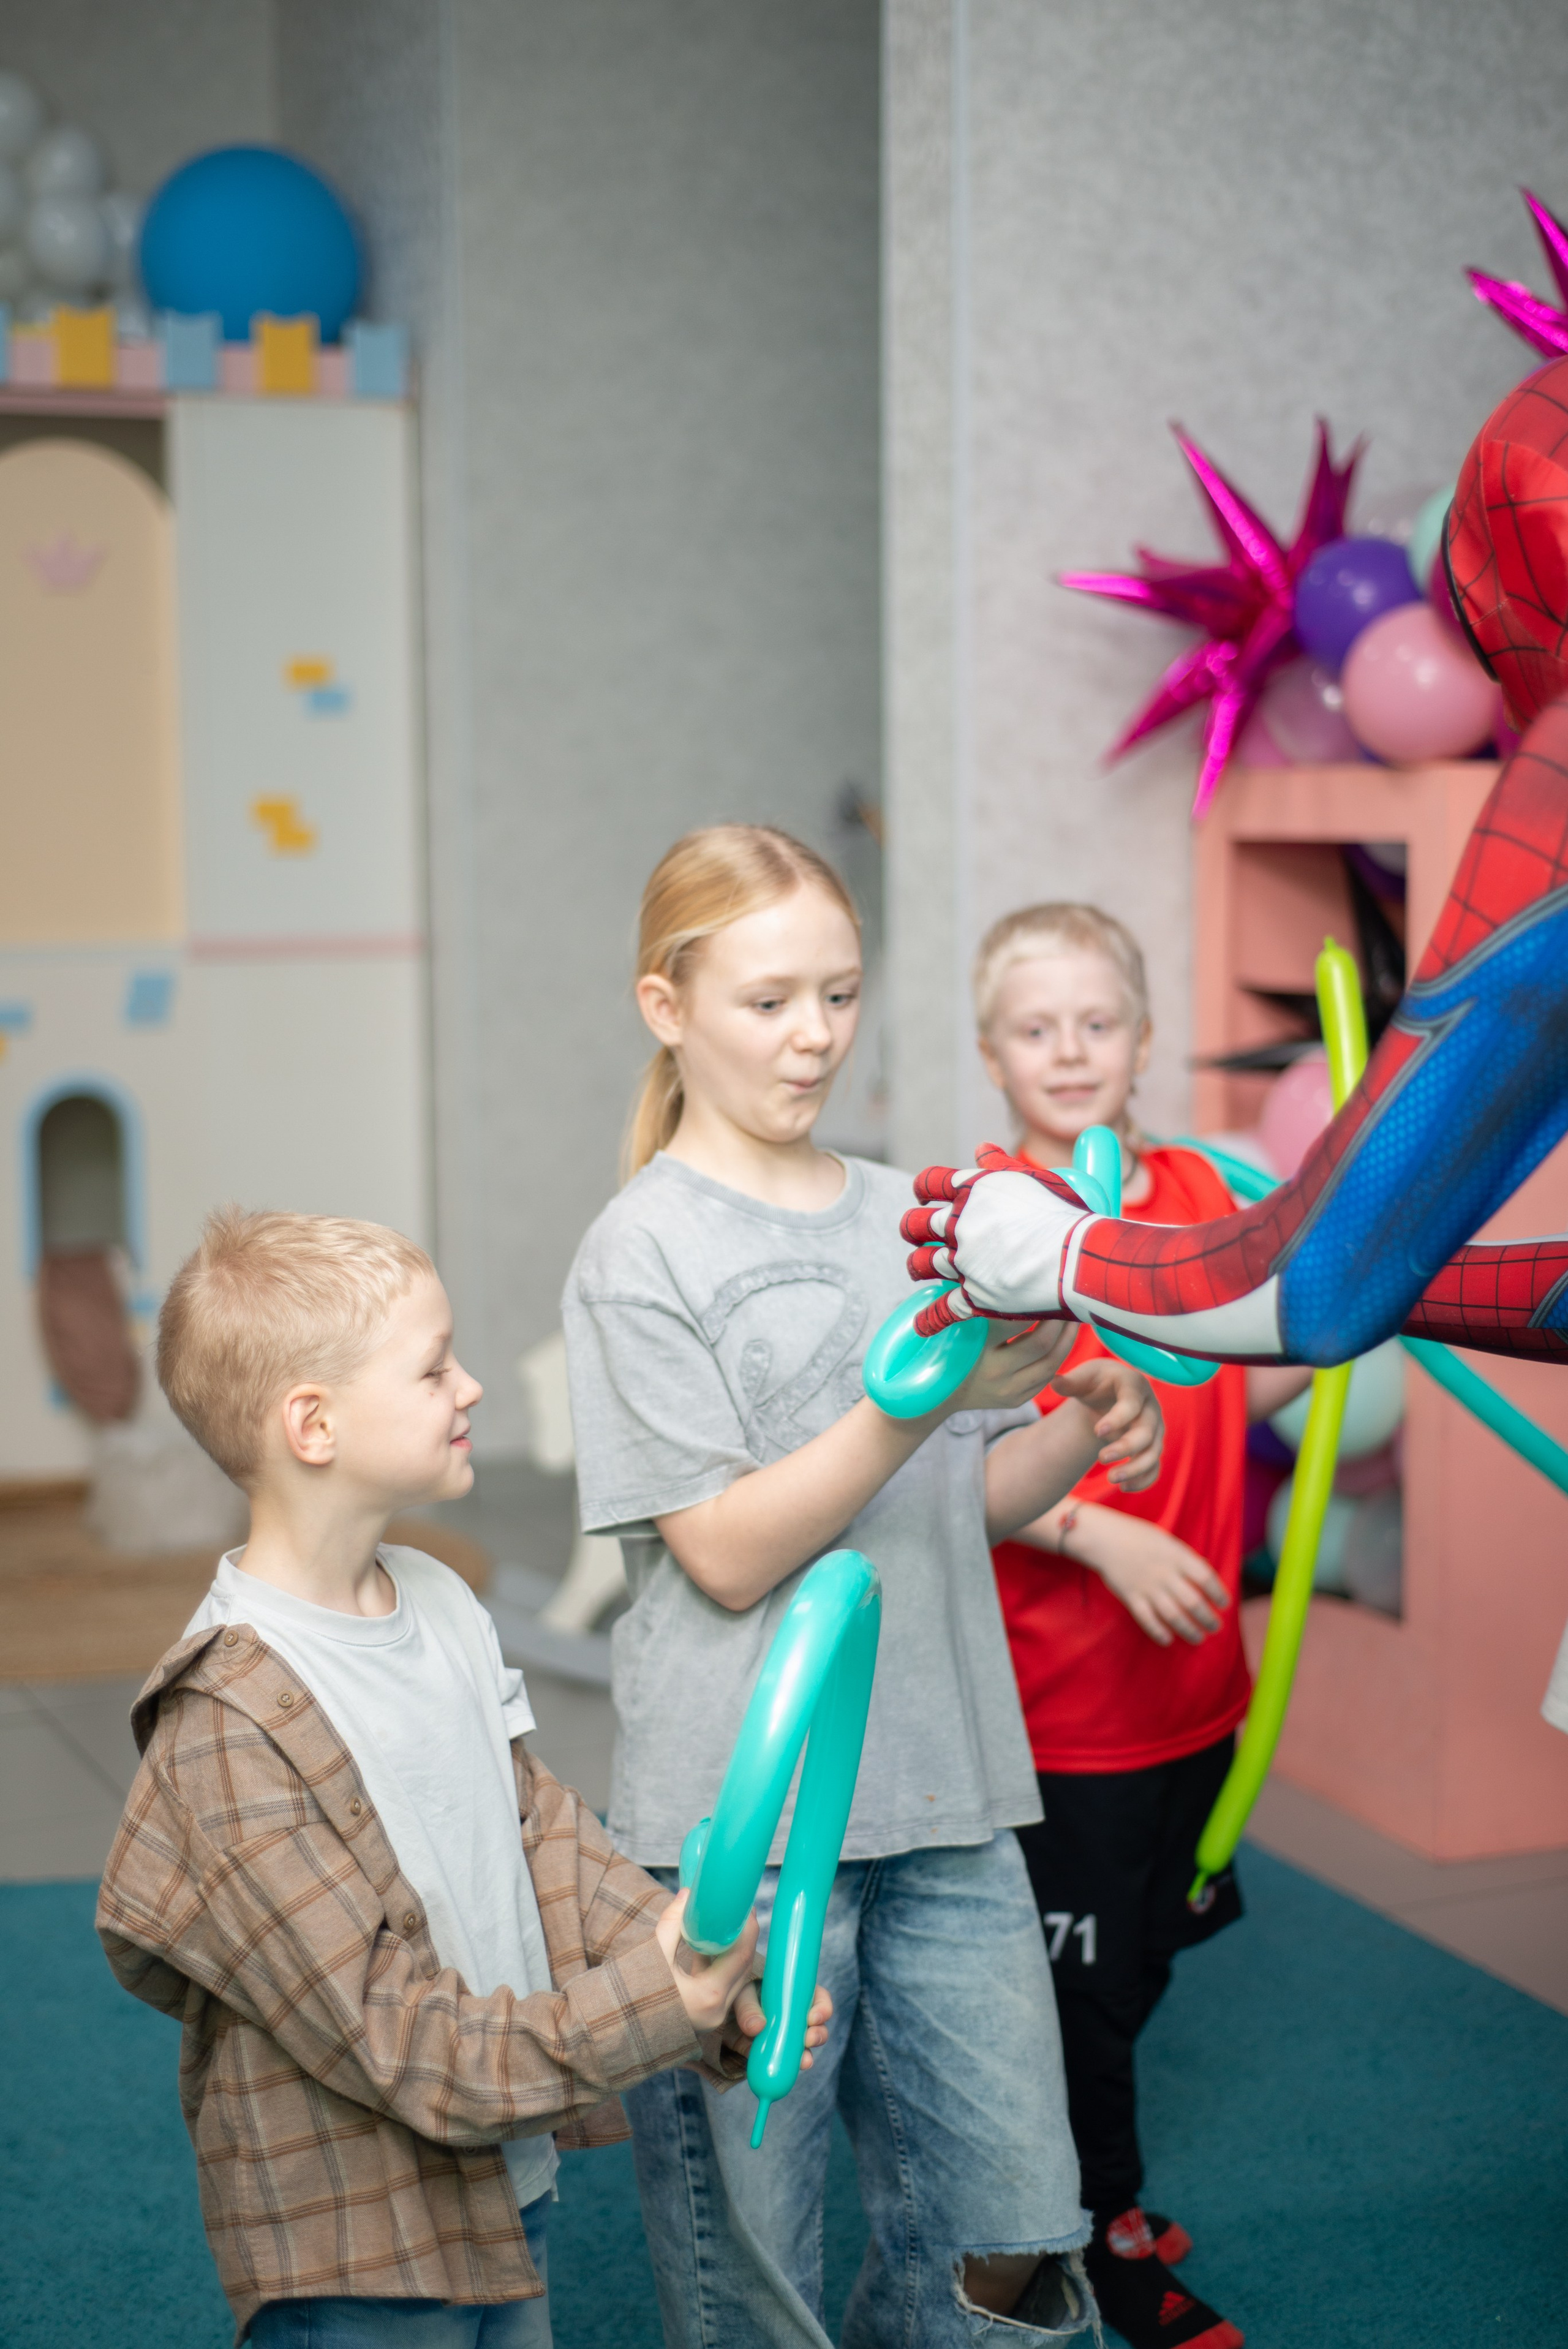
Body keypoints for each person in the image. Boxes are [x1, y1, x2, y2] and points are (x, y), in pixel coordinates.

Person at [561, 823, 1167, 2349]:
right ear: (666, 1005)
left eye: (837, 993)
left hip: (953, 1801)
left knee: (1017, 2247)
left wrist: (1077, 1433)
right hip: (745, 1844)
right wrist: (907, 1402)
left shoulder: (919, 1213)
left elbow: (957, 1497)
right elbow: (728, 1549)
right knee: (752, 2288)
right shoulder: (638, 1251)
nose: (815, 1034)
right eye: (769, 1000)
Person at [96, 1207, 828, 2348]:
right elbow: (400, 2040)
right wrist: (653, 2009)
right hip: (356, 2245)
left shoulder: (436, 1597)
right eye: (434, 1366)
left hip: (505, 2173)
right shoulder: (226, 1731)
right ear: (314, 1425)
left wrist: (695, 1963)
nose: (472, 1385)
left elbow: (542, 1836)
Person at [972, 903, 1311, 2349]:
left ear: (1142, 1038)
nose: (1067, 1050)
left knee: (1141, 1963)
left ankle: (1078, 2182)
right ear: (990, 1051)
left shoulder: (1200, 1192)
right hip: (1068, 1710)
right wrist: (1095, 1529)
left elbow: (1236, 1385)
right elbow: (941, 1467)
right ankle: (1097, 2232)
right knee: (1078, 2008)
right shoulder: (979, 1219)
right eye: (1034, 1027)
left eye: (1092, 1022)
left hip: (1201, 1690)